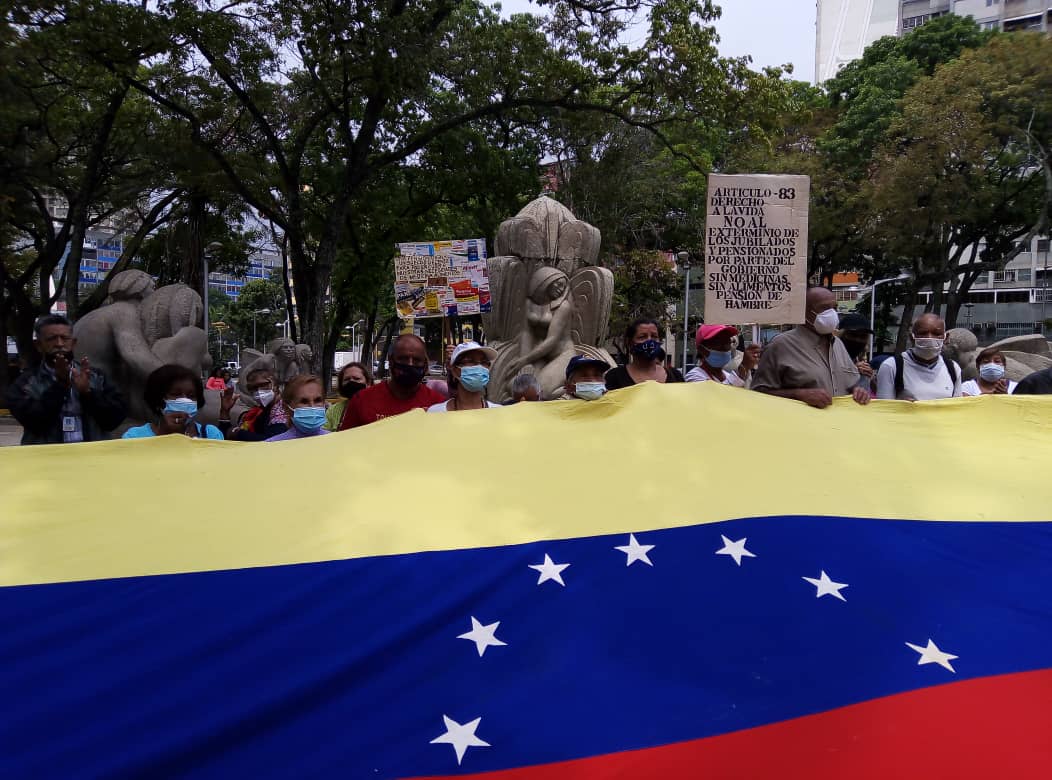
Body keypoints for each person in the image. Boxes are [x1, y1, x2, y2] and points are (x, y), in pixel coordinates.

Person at [6, 314, 127, 445]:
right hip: (47, 460)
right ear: (38, 345)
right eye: (52, 339)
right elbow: (35, 423)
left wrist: (88, 393)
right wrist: (60, 385)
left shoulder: (96, 377)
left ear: (73, 343)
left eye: (64, 338)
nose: (59, 344)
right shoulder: (26, 384)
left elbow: (114, 420)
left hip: (92, 459)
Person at [752, 287, 871, 408]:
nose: (832, 314)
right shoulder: (780, 346)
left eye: (834, 308)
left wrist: (859, 390)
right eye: (824, 308)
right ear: (804, 312)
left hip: (838, 424)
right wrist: (798, 394)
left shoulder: (838, 345)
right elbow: (758, 394)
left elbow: (852, 383)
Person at [338, 334, 446, 429]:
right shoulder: (362, 400)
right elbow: (344, 444)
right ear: (391, 361)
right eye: (403, 358)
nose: (410, 364)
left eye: (417, 360)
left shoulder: (438, 404)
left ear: (425, 364)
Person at [123, 364, 229, 440]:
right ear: (158, 400)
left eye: (191, 396)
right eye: (176, 394)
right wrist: (166, 432)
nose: (185, 400)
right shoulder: (135, 437)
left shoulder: (211, 434)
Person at [875, 313, 961, 401]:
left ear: (946, 338)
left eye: (936, 333)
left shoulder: (953, 369)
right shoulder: (891, 366)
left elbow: (957, 409)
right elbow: (884, 410)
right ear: (911, 337)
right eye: (923, 333)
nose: (929, 338)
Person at [605, 319, 684, 390]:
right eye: (642, 337)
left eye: (654, 336)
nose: (649, 341)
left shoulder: (676, 376)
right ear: (629, 342)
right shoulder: (614, 377)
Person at [428, 341, 501, 412]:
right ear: (455, 371)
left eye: (484, 362)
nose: (479, 366)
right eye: (471, 361)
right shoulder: (436, 412)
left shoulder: (499, 412)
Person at [686, 324, 758, 387]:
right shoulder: (694, 377)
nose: (725, 348)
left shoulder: (728, 376)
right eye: (718, 344)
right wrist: (743, 368)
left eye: (727, 343)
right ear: (702, 349)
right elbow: (718, 396)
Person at [228, 368, 288, 441]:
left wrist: (238, 434)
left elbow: (271, 441)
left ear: (275, 385)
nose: (258, 391)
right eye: (252, 388)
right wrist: (225, 411)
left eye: (263, 385)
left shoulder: (283, 410)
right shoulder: (260, 410)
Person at [266, 374, 330, 441]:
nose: (312, 407)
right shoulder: (272, 445)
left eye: (317, 400)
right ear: (287, 408)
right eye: (304, 401)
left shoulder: (335, 442)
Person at [325, 362, 373, 431]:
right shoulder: (333, 411)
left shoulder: (378, 407)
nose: (351, 381)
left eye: (356, 378)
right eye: (347, 379)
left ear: (368, 383)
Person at [838, 313, 875, 382]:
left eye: (863, 336)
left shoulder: (860, 360)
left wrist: (871, 378)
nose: (857, 340)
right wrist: (852, 370)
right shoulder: (830, 356)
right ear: (841, 335)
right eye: (853, 335)